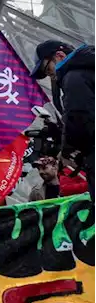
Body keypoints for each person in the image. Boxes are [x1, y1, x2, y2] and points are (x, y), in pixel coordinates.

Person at [32, 39, 96, 204]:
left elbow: (80, 120)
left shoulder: (74, 77)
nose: (50, 76)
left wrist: (65, 146)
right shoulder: (88, 69)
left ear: (59, 55)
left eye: (48, 69)